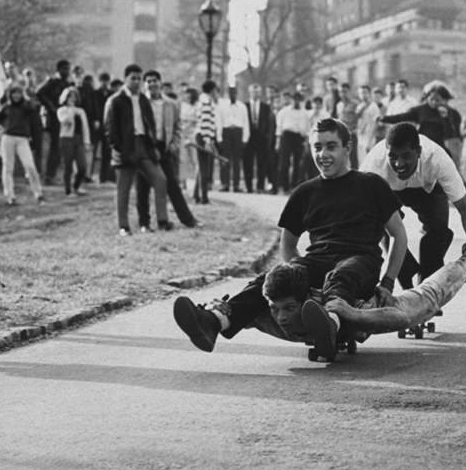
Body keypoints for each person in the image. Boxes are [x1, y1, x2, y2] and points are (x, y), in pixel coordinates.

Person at [173, 118, 408, 361]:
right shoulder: (305, 192)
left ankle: (330, 325)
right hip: (317, 261)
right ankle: (214, 322)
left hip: (360, 261)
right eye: (317, 147)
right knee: (271, 278)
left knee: (341, 274)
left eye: (331, 146)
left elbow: (398, 235)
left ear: (347, 148)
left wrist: (388, 283)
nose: (323, 154)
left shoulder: (370, 184)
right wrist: (295, 280)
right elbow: (288, 245)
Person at [262, 243, 466, 340]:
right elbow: (244, 313)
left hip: (366, 296)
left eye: (289, 309)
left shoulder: (331, 305)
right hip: (339, 262)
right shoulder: (270, 310)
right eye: (276, 309)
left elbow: (400, 319)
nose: (281, 317)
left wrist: (353, 314)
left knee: (427, 299)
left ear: (306, 300)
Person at [361, 123, 466, 290]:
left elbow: (464, 207)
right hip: (389, 190)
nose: (399, 164)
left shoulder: (437, 159)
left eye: (406, 156)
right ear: (386, 152)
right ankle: (405, 274)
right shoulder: (373, 165)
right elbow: (360, 213)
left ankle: (428, 284)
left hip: (428, 190)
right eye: (393, 157)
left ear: (418, 152)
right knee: (380, 226)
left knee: (438, 231)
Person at [105, 63, 172, 236]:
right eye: (132, 78)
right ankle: (123, 226)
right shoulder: (116, 100)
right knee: (124, 189)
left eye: (138, 79)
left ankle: (163, 221)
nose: (136, 82)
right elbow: (110, 129)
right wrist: (119, 149)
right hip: (125, 147)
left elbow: (150, 124)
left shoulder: (142, 99)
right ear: (125, 79)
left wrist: (153, 147)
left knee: (160, 179)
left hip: (144, 145)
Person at [136, 70, 197, 231]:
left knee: (172, 185)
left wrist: (174, 144)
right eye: (148, 81)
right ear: (145, 84)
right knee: (142, 186)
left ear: (160, 83)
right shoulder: (140, 102)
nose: (152, 84)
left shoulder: (170, 104)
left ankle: (188, 220)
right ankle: (144, 223)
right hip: (145, 147)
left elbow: (178, 127)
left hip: (165, 147)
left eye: (155, 80)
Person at [0, 85, 44, 205]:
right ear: (10, 95)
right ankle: (10, 196)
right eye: (14, 93)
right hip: (8, 138)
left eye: (18, 93)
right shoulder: (7, 107)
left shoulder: (26, 107)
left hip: (22, 139)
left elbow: (35, 109)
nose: (16, 96)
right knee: (8, 167)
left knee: (30, 165)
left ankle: (38, 193)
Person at [379, 81, 455, 150]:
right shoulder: (419, 110)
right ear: (427, 97)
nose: (434, 102)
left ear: (443, 100)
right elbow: (402, 117)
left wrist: (445, 118)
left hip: (438, 146)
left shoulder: (447, 111)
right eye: (432, 99)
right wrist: (384, 118)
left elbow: (450, 134)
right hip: (422, 145)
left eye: (437, 100)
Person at [36, 59, 72, 185]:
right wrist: (52, 108)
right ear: (59, 70)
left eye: (68, 69)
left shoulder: (67, 83)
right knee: (55, 146)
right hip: (54, 118)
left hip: (65, 117)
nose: (67, 71)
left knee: (61, 146)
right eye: (65, 69)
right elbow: (39, 93)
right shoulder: (52, 82)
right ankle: (49, 176)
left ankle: (54, 174)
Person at [57, 87, 91, 197]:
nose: (72, 98)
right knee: (68, 166)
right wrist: (71, 110)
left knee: (82, 167)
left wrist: (87, 141)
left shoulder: (81, 111)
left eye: (74, 96)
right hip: (66, 139)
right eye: (70, 96)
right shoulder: (62, 110)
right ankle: (68, 191)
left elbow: (85, 127)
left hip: (78, 139)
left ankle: (76, 186)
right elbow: (65, 120)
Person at [215, 86, 249, 192]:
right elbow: (219, 122)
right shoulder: (222, 107)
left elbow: (245, 122)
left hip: (238, 132)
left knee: (236, 160)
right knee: (225, 159)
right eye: (230, 93)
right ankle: (225, 183)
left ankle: (236, 185)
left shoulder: (242, 106)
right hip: (226, 132)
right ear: (227, 94)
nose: (232, 95)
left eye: (234, 93)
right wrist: (219, 137)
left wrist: (245, 138)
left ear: (236, 93)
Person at [275, 91, 311, 193]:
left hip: (299, 137)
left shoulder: (305, 113)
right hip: (286, 136)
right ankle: (284, 186)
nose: (296, 102)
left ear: (301, 101)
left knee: (297, 162)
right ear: (291, 100)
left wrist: (306, 143)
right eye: (294, 99)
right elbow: (279, 127)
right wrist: (277, 142)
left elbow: (307, 129)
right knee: (284, 162)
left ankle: (294, 186)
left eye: (298, 100)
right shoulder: (284, 111)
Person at [244, 83, 274, 193]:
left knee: (262, 162)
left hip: (262, 138)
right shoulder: (245, 106)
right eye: (253, 91)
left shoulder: (265, 107)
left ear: (260, 93)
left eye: (257, 92)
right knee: (248, 162)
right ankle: (249, 187)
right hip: (249, 136)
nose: (255, 94)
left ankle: (260, 186)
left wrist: (267, 137)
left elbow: (269, 124)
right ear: (250, 92)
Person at [194, 80, 218, 204]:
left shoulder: (202, 100)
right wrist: (208, 141)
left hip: (201, 136)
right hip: (203, 136)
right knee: (204, 168)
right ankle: (204, 197)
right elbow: (206, 123)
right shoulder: (206, 102)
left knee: (201, 166)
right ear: (212, 90)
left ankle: (196, 194)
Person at [95, 72, 115, 183]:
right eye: (103, 80)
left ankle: (107, 176)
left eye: (106, 81)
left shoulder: (112, 94)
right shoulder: (95, 93)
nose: (104, 83)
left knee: (108, 152)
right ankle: (98, 176)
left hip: (108, 126)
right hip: (97, 126)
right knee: (94, 152)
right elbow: (94, 107)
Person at [179, 87, 200, 191]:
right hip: (183, 135)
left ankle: (197, 182)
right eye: (185, 94)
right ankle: (183, 182)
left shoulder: (197, 105)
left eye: (189, 94)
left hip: (193, 135)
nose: (187, 96)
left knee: (195, 159)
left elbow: (197, 119)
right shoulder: (182, 106)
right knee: (183, 160)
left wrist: (189, 121)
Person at [336, 82, 360, 168]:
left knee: (353, 158)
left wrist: (356, 129)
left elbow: (359, 119)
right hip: (341, 135)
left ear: (349, 91)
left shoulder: (356, 104)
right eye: (341, 92)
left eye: (345, 91)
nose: (342, 94)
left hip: (352, 134)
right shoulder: (339, 105)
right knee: (342, 158)